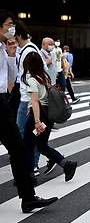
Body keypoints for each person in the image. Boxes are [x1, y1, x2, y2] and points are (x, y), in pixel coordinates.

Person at [0, 10, 58, 213]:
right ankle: (28, 196)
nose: (11, 29)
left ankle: (28, 197)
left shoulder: (4, 48)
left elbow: (12, 78)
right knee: (18, 148)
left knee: (18, 148)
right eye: (8, 25)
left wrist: (10, 55)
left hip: (2, 102)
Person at [20, 52, 78, 181]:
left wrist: (36, 121)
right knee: (41, 145)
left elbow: (35, 101)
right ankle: (66, 165)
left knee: (28, 145)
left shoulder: (32, 80)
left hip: (39, 118)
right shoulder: (45, 77)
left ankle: (29, 176)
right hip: (48, 117)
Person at [14, 22, 43, 174]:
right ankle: (34, 162)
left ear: (18, 35)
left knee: (26, 133)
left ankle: (32, 164)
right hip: (27, 97)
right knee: (28, 133)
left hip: (28, 98)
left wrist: (31, 102)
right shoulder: (28, 49)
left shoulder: (29, 51)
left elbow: (31, 77)